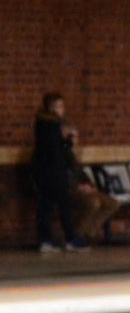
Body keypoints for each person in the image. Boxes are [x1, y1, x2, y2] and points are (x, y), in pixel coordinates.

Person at [31, 91, 82, 253]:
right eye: (60, 106)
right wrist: (69, 140)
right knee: (63, 205)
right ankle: (70, 238)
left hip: (43, 172)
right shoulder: (52, 125)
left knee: (45, 207)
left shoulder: (41, 124)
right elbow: (57, 150)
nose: (63, 110)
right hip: (54, 172)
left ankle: (45, 240)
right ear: (53, 108)